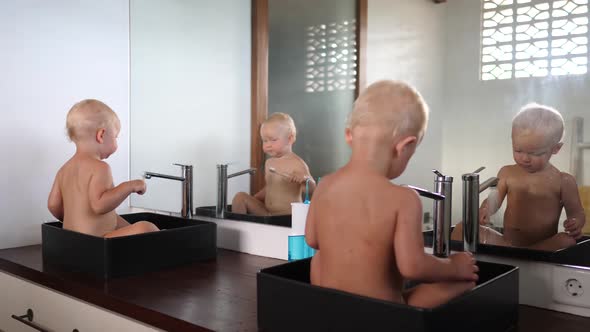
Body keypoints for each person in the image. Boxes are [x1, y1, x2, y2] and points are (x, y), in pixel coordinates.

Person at [305, 80, 478, 308]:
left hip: (331, 308)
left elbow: (313, 239)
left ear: (349, 135)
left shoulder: (325, 185)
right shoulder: (403, 199)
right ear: (404, 146)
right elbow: (413, 266)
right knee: (464, 284)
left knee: (319, 259)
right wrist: (454, 267)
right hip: (382, 317)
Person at [452, 103, 586, 251]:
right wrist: (485, 209)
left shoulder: (563, 181)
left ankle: (531, 255)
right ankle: (521, 256)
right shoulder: (507, 173)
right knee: (461, 228)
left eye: (535, 153)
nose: (525, 158)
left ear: (556, 148)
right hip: (507, 245)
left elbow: (577, 212)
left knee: (567, 240)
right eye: (518, 150)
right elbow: (494, 199)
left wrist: (576, 222)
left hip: (544, 246)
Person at [48, 99, 159, 238]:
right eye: (115, 136)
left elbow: (53, 205)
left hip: (72, 241)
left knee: (113, 217)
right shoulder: (100, 168)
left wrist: (75, 218)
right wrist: (129, 186)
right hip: (97, 242)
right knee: (146, 227)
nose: (116, 141)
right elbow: (100, 205)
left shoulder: (64, 170)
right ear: (101, 135)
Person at [232, 113, 315, 216]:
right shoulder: (269, 162)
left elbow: (312, 189)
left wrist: (305, 179)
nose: (268, 145)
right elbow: (270, 188)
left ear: (290, 138)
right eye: (264, 140)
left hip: (287, 216)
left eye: (273, 140)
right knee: (240, 197)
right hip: (268, 214)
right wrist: (254, 199)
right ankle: (239, 227)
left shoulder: (296, 163)